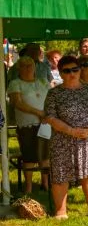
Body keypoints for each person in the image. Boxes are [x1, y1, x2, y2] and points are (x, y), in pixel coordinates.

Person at [43, 55, 88, 219]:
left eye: (75, 69)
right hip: (63, 140)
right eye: (67, 70)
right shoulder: (54, 93)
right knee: (60, 174)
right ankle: (61, 211)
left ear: (80, 70)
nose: (72, 73)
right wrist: (71, 131)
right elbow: (50, 117)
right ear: (60, 72)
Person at [7, 56, 50, 193]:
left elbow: (51, 99)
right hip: (27, 125)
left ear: (34, 67)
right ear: (18, 68)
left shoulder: (43, 81)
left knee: (45, 154)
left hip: (45, 123)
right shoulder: (15, 83)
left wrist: (47, 114)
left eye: (30, 65)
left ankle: (46, 184)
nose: (27, 68)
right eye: (24, 66)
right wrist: (38, 112)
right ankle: (29, 187)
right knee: (29, 154)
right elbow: (17, 103)